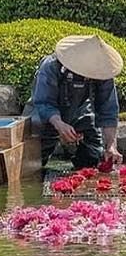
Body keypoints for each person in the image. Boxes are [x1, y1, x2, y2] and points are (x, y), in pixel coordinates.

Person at [30, 34, 123, 170]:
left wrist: (111, 146)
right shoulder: (50, 66)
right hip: (44, 114)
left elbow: (108, 110)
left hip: (81, 111)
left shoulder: (103, 72)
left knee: (94, 155)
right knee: (32, 162)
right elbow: (44, 103)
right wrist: (59, 124)